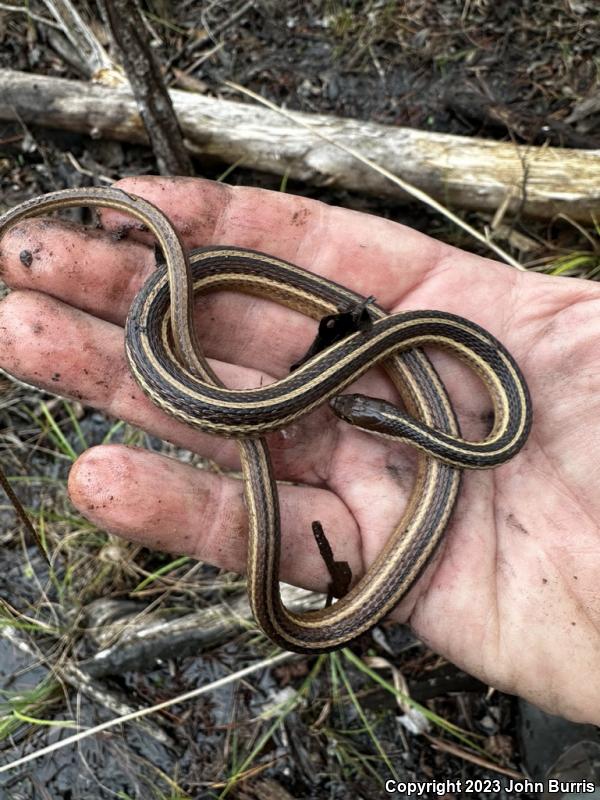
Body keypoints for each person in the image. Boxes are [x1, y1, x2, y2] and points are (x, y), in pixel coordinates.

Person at [0, 176, 597, 725]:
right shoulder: (443, 418)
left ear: (396, 427)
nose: (341, 405)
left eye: (360, 414)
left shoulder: (477, 432)